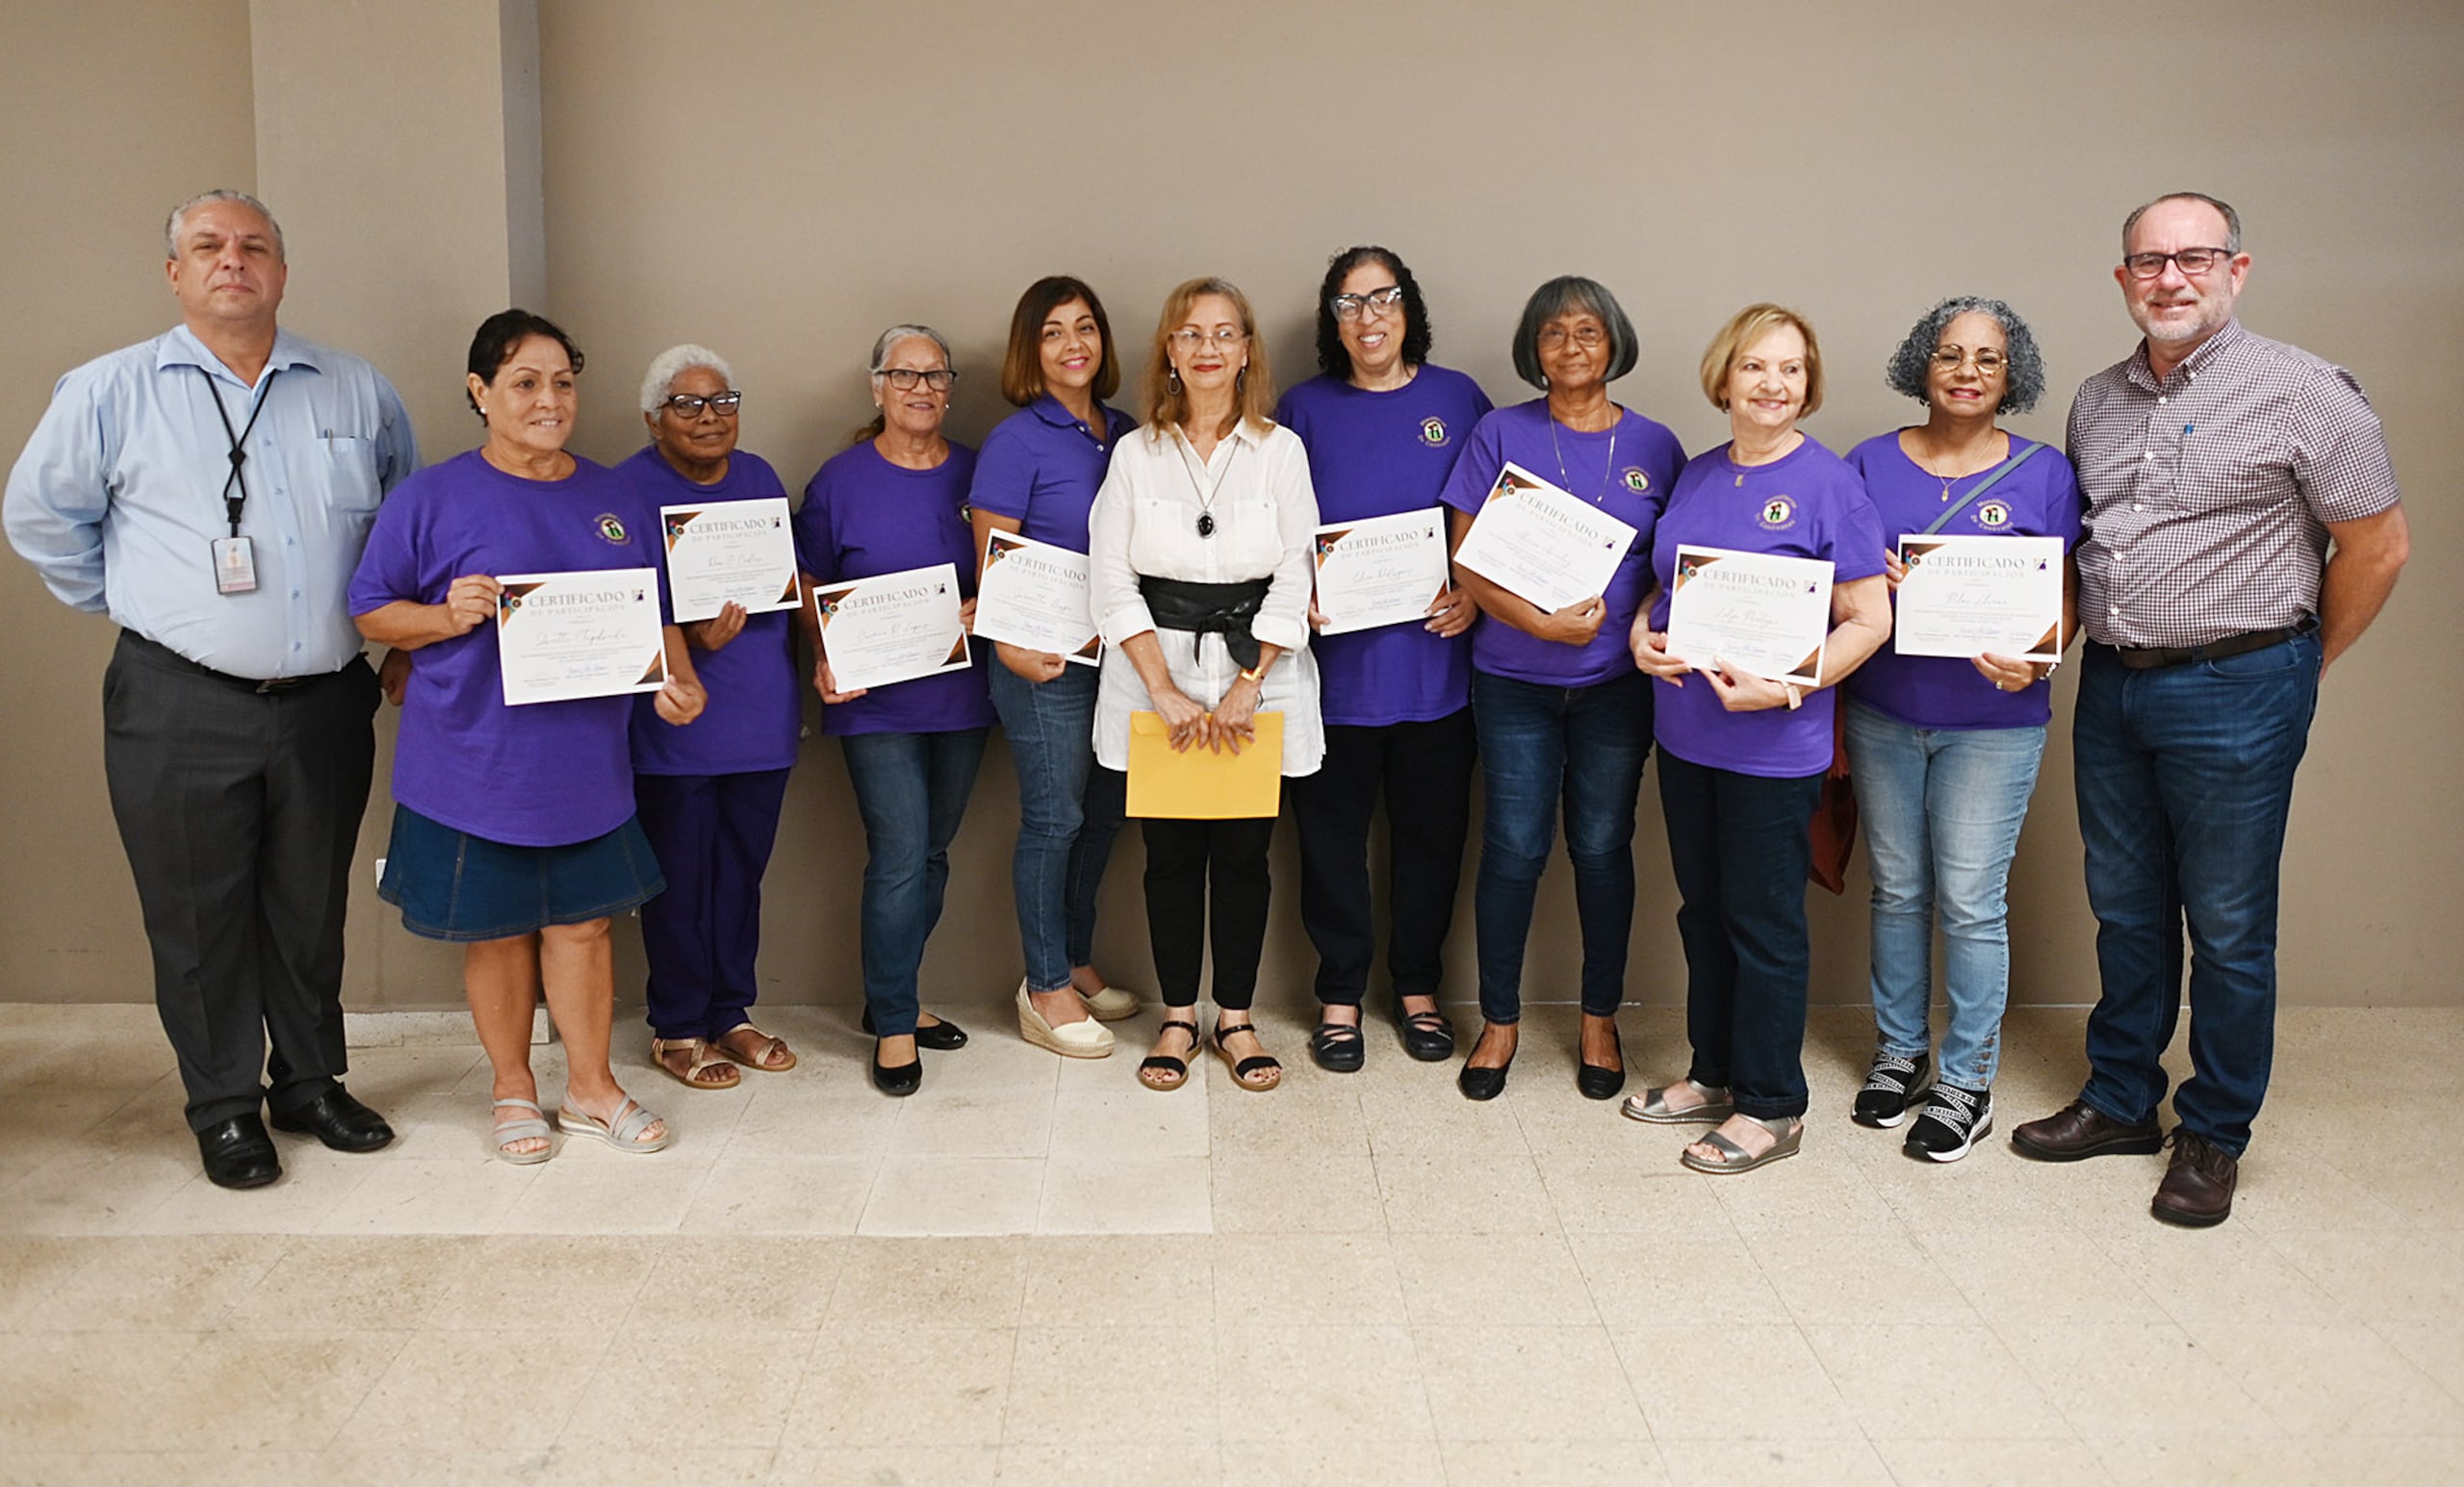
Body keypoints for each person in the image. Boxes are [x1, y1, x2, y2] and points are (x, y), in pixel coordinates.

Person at [5, 190, 416, 1190]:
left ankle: (309, 1082)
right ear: (175, 273)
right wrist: (144, 605)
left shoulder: (355, 389)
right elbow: (39, 517)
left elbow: (404, 521)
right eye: (208, 246)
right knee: (198, 916)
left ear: (281, 270)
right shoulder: (110, 391)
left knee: (310, 905)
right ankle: (224, 1105)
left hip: (324, 701)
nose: (233, 260)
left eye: (253, 246)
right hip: (177, 701)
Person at [2011, 192, 2407, 1227]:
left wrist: (2303, 665)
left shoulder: (2304, 391)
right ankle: (2119, 1099)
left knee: (2227, 926)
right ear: (2123, 278)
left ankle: (2215, 1131)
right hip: (2115, 683)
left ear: (2237, 268)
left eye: (2195, 257)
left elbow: (2378, 546)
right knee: (2126, 906)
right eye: (2150, 261)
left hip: (2241, 683)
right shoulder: (2096, 400)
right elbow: (2088, 546)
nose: (2171, 278)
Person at [351, 309, 706, 1162]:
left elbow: (653, 608)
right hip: (472, 760)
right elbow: (370, 609)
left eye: (562, 383)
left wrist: (677, 677)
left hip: (586, 760)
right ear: (480, 392)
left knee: (585, 927)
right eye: (525, 383)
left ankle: (591, 1088)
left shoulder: (615, 495)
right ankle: (512, 1087)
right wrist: (443, 616)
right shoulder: (430, 497)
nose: (549, 400)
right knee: (499, 930)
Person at [1628, 304, 1891, 1174]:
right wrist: (1639, 634)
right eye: (1754, 366)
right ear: (1725, 377)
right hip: (1686, 734)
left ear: (1808, 386)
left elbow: (1869, 619)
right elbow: (1665, 587)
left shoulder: (1831, 485)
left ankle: (1773, 1104)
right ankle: (1714, 1074)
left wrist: (1786, 686)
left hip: (1774, 746)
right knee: (1702, 911)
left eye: (1790, 369)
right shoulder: (1699, 475)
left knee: (1763, 921)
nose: (1772, 384)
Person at [1840, 297, 2084, 1162]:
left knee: (1973, 903)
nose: (1967, 371)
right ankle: (1901, 1052)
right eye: (1950, 353)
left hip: (1993, 722)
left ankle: (1966, 1081)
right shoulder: (1868, 462)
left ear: (2012, 375)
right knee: (1898, 891)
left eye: (1988, 357)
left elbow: (2065, 596)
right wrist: (1867, 582)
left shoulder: (2045, 473)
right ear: (1924, 363)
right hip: (1883, 710)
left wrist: (2041, 658)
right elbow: (1835, 579)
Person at [1438, 277, 1684, 1101]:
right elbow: (1467, 559)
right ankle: (1499, 1020)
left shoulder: (1656, 445)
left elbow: (1675, 567)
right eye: (1553, 333)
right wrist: (1540, 625)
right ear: (1533, 349)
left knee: (1602, 848)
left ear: (1614, 341)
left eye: (1587, 331)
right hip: (1514, 682)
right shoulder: (1499, 432)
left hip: (1615, 687)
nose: (1571, 346)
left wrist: (1641, 618)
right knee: (1513, 848)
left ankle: (1599, 1018)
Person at [1089, 277, 1322, 1094]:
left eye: (1225, 333)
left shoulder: (1280, 450)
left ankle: (1237, 1016)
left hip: (1259, 674)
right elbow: (1111, 579)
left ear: (1247, 349)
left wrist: (1249, 683)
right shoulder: (1136, 453)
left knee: (1247, 855)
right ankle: (1179, 1015)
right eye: (1191, 333)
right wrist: (1164, 689)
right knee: (1171, 856)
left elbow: (1296, 572)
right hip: (1156, 674)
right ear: (1170, 350)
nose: (1209, 348)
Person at [1277, 246, 1491, 1072]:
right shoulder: (1302, 409)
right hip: (1333, 676)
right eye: (1350, 303)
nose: (1368, 317)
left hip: (1437, 672)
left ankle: (1417, 987)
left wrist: (1476, 594)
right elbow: (1272, 524)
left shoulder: (1458, 399)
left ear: (1409, 308)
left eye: (1383, 298)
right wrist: (1293, 593)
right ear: (1332, 321)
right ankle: (1339, 994)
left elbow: (1495, 520)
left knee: (1431, 843)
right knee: (1329, 844)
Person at [793, 324, 992, 1097]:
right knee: (903, 851)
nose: (920, 388)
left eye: (935, 375)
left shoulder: (977, 471)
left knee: (934, 851)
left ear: (949, 389)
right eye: (904, 375)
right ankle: (897, 1023)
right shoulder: (839, 480)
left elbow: (1009, 562)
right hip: (871, 700)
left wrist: (986, 602)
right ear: (877, 387)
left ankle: (890, 997)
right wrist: (823, 652)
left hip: (961, 695)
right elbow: (809, 580)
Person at [969, 277, 1144, 1061]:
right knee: (1055, 818)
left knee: (1103, 813)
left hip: (1120, 659)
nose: (1074, 344)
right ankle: (1043, 988)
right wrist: (1009, 647)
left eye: (1085, 327)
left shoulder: (1127, 432)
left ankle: (1073, 960)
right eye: (1052, 332)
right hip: (1043, 661)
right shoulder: (1016, 441)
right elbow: (993, 558)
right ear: (1029, 350)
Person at [624, 346, 802, 1090]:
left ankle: (730, 1010)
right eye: (688, 404)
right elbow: (613, 611)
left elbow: (788, 586)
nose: (709, 417)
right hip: (676, 727)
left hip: (761, 721)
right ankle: (677, 1024)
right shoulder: (626, 489)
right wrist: (689, 641)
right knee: (679, 879)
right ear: (653, 418)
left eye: (723, 401)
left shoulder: (759, 478)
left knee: (739, 876)